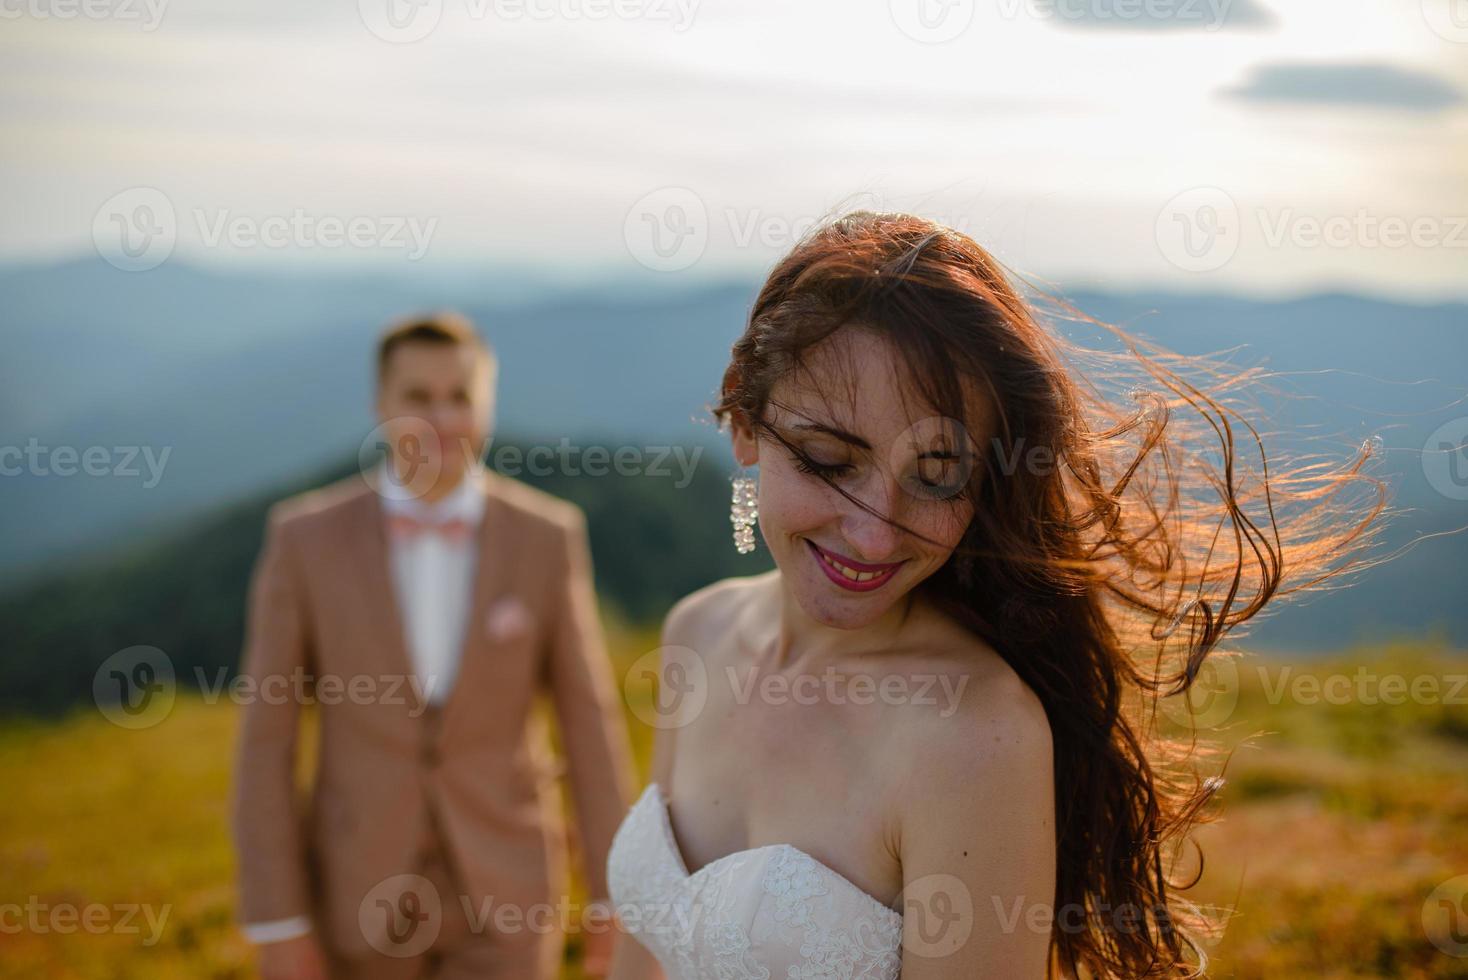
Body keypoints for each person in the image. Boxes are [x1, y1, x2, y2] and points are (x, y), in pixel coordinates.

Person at [604, 212, 1381, 979]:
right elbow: (646, 956)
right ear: (745, 419)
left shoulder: (975, 736)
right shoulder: (694, 633)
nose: (876, 536)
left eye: (938, 474)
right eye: (829, 461)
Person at [232, 312, 636, 979]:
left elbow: (589, 727)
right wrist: (278, 921)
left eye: (460, 397)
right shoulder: (303, 540)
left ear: (488, 405)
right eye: (418, 397)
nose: (441, 419)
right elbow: (266, 742)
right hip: (355, 893)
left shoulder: (548, 537)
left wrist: (611, 900)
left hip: (508, 898)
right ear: (380, 404)